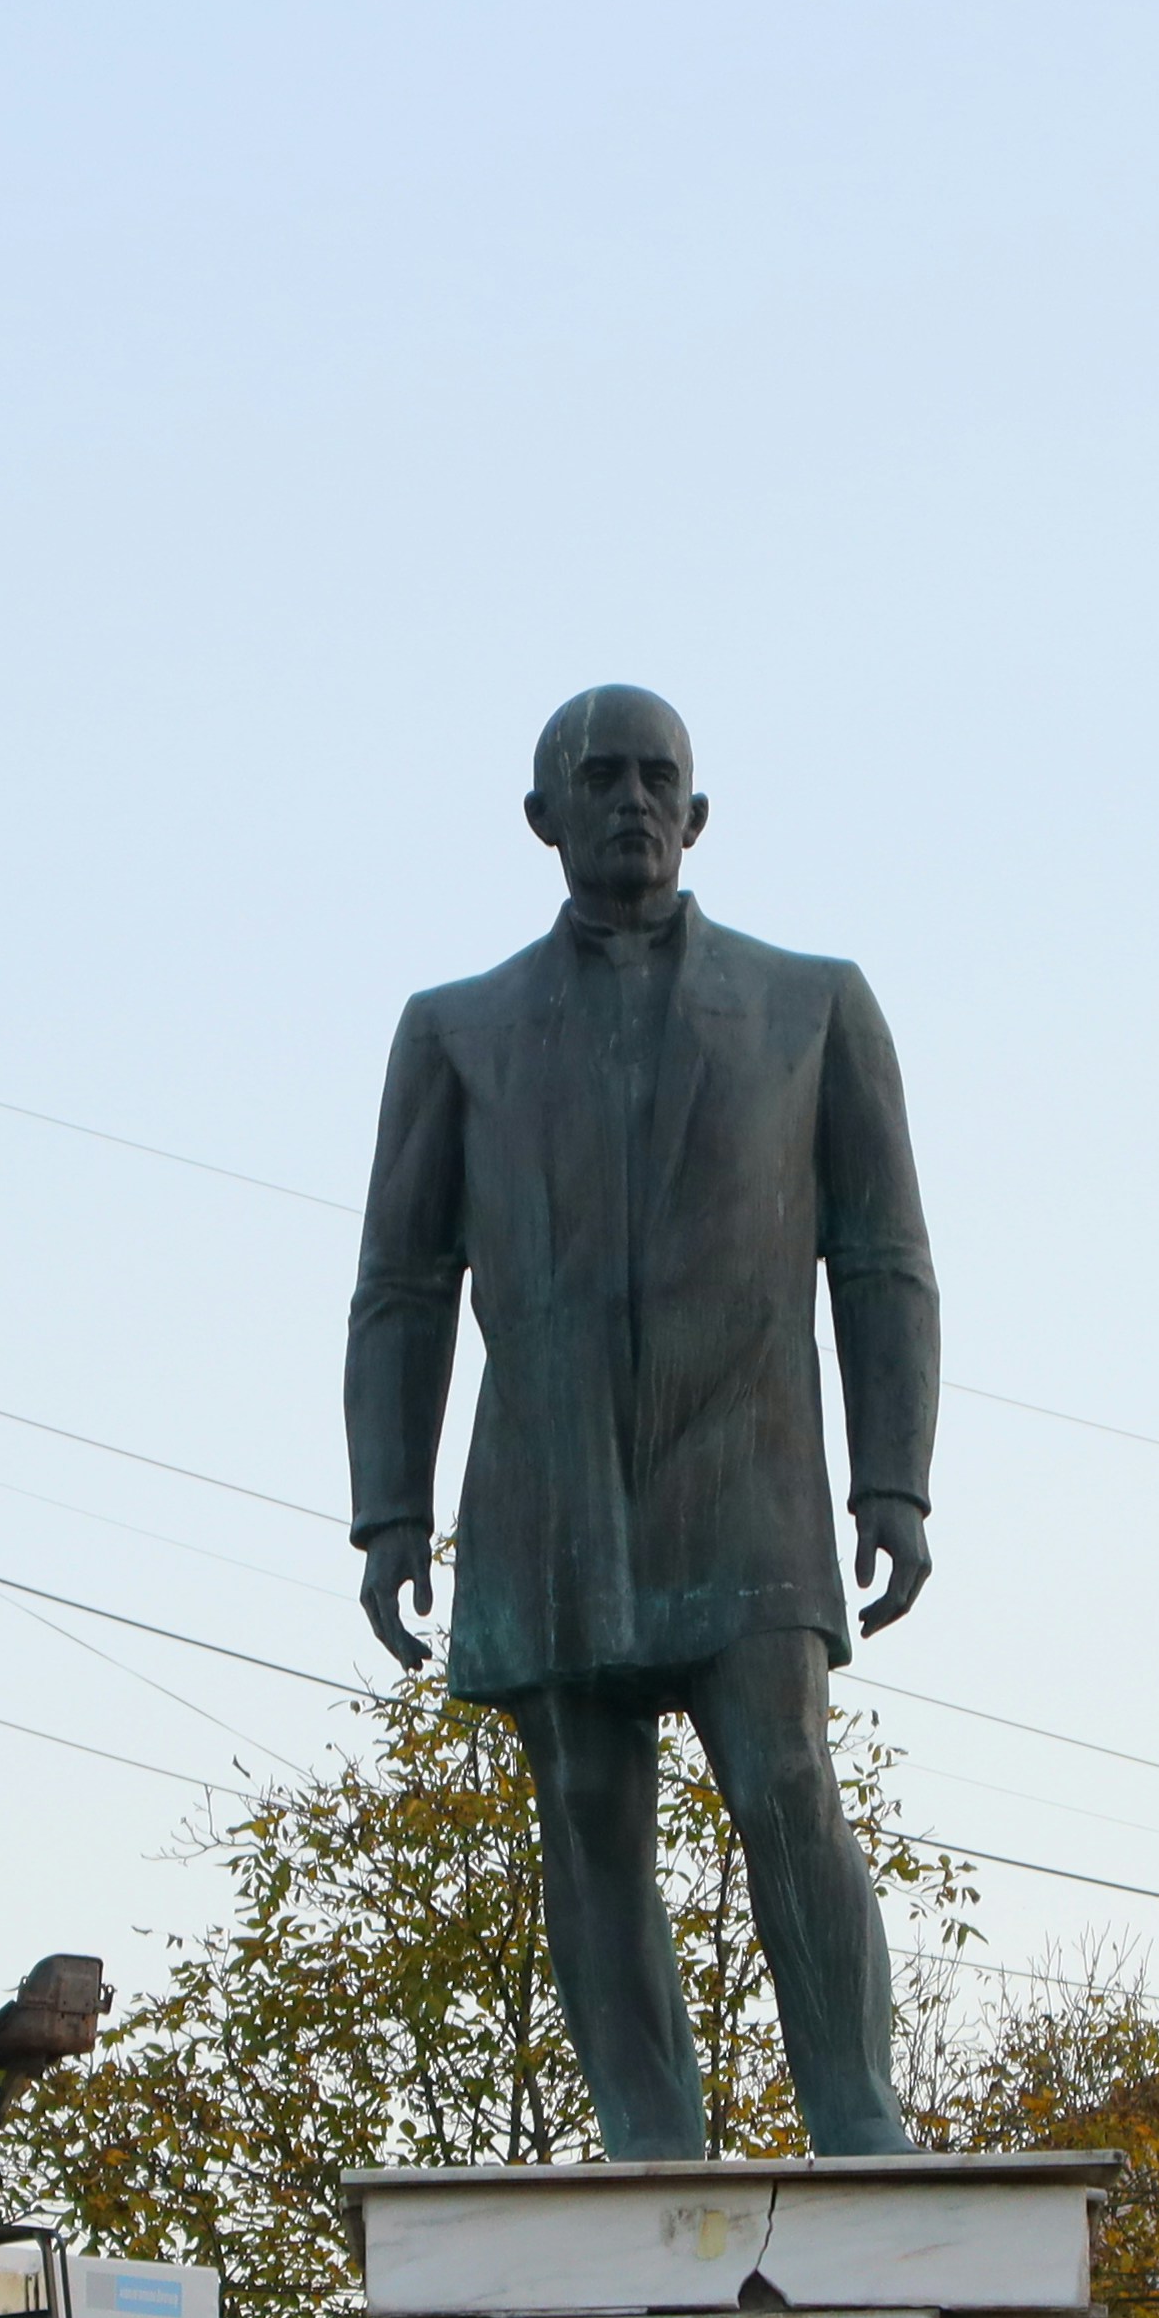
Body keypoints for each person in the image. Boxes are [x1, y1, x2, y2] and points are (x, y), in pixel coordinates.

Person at [342, 685, 937, 2161]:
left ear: (698, 811)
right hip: (549, 1491)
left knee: (787, 1781)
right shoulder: (457, 1030)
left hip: (745, 1472)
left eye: (655, 778)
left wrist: (897, 1482)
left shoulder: (812, 1006)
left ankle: (856, 2110)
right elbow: (402, 1287)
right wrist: (392, 1510)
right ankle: (649, 2142)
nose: (629, 803)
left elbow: (881, 1259)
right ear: (544, 817)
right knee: (588, 1813)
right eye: (597, 780)